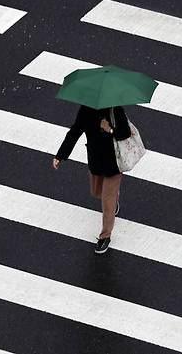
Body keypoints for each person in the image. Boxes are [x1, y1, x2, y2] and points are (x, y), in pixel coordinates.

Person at [52, 105, 131, 254]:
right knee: (96, 193)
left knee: (107, 201)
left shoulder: (115, 110)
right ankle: (114, 199)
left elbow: (125, 133)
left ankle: (105, 236)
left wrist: (110, 130)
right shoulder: (86, 110)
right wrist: (60, 155)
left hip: (114, 162)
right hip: (95, 160)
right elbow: (75, 132)